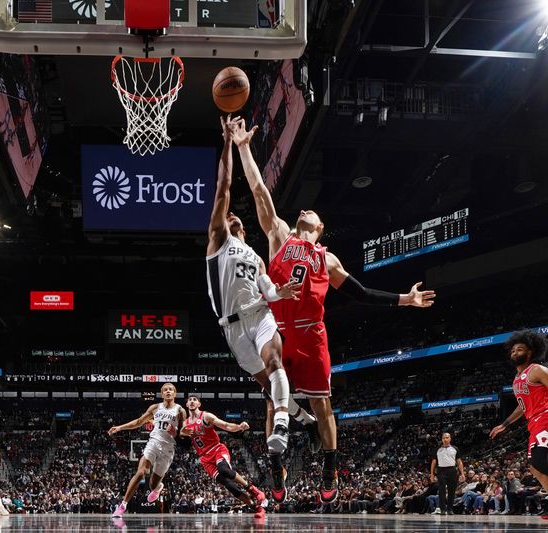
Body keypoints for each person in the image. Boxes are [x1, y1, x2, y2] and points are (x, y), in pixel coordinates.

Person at [227, 118, 436, 504]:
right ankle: (276, 463)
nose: (304, 209)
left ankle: (329, 463)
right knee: (274, 400)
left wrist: (405, 300)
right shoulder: (278, 235)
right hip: (280, 330)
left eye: (312, 212)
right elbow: (258, 190)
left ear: (319, 227)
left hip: (313, 333)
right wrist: (242, 147)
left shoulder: (329, 259)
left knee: (323, 405)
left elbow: (360, 293)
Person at [206, 116, 318, 502]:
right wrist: (227, 145)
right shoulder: (219, 240)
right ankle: (303, 418)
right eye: (229, 214)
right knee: (270, 390)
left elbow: (269, 290)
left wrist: (281, 292)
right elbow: (223, 189)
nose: (233, 214)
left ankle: (285, 425)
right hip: (233, 329)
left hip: (261, 316)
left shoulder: (254, 254)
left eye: (236, 216)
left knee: (276, 367)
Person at [490, 329, 548, 519]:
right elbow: (522, 407)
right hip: (533, 422)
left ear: (529, 352)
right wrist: (505, 424)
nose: (515, 353)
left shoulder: (537, 369)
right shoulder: (516, 380)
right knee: (534, 467)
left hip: (545, 417)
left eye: (519, 350)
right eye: (513, 351)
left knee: (540, 461)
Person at [180, 395, 266, 518]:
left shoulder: (206, 416)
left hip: (217, 449)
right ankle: (257, 508)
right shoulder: (185, 424)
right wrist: (179, 433)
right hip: (204, 458)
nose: (192, 401)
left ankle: (253, 489)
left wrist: (239, 427)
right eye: (190, 400)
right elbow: (179, 437)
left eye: (195, 400)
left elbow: (225, 425)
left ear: (199, 404)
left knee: (223, 469)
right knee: (230, 485)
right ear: (187, 405)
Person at [108, 383, 186, 517]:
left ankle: (158, 487)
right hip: (153, 443)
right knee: (140, 473)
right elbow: (139, 421)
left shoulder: (180, 411)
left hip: (168, 449)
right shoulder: (155, 408)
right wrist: (120, 427)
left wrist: (176, 431)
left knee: (152, 485)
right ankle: (123, 505)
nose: (168, 391)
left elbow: (184, 435)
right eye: (165, 390)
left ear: (175, 393)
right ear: (162, 394)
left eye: (171, 390)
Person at [429, 432, 465, 515]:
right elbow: (433, 462)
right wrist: (432, 474)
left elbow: (459, 462)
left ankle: (449, 509)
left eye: (447, 437)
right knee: (442, 491)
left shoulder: (455, 448)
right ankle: (442, 509)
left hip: (452, 470)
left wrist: (462, 473)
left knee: (451, 491)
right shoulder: (437, 449)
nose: (445, 439)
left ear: (450, 439)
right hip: (441, 470)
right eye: (443, 438)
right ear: (441, 439)